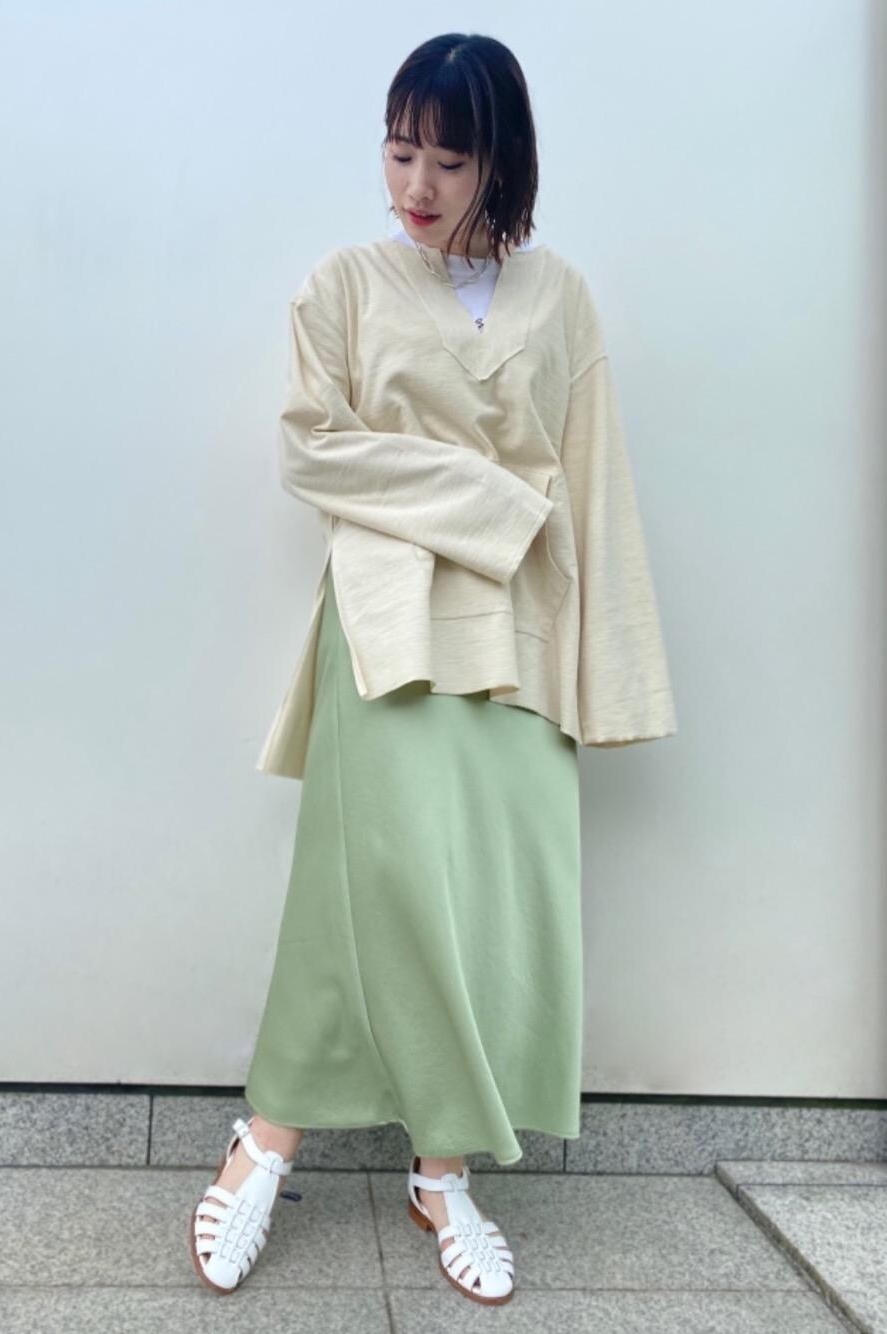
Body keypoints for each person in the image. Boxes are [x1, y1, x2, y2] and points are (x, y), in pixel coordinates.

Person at [189, 31, 677, 1307]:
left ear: (498, 161)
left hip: (519, 631)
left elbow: (593, 480)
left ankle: (442, 1169)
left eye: (448, 160)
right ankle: (267, 1136)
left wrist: (611, 678)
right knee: (373, 885)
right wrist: (491, 496)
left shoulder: (560, 297)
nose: (416, 182)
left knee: (494, 908)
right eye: (400, 150)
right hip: (390, 620)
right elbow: (313, 448)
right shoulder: (345, 285)